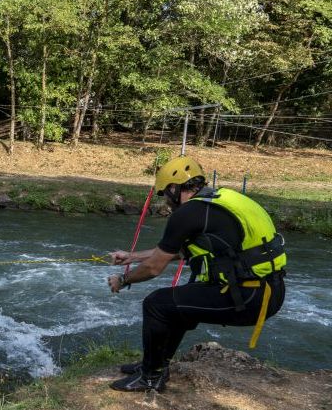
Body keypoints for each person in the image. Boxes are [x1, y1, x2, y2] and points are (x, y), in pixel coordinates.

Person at [106, 155, 286, 393]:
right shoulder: (220, 201)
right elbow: (177, 250)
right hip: (268, 290)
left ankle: (151, 377)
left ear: (174, 187)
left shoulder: (188, 213)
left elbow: (154, 267)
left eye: (165, 194)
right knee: (176, 306)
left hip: (249, 296)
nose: (167, 201)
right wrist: (132, 256)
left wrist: (123, 280)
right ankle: (155, 364)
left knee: (156, 304)